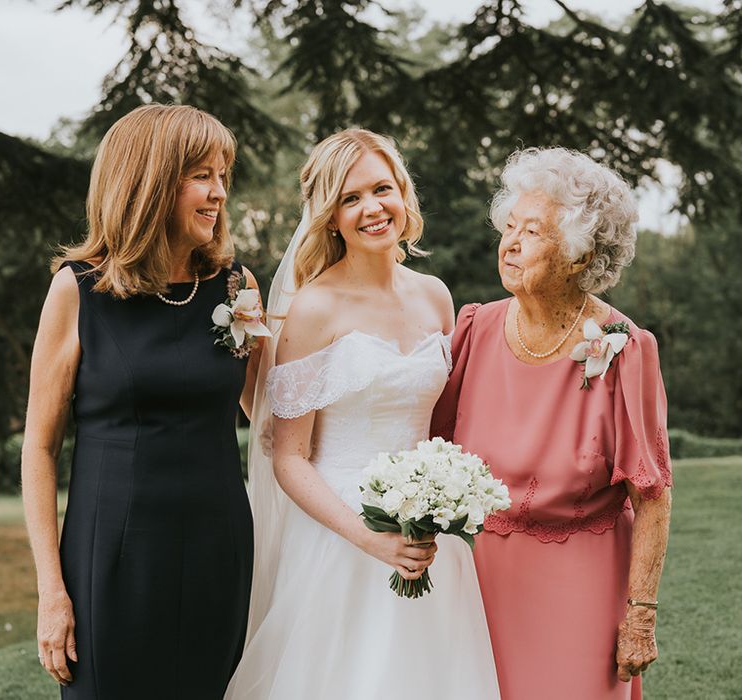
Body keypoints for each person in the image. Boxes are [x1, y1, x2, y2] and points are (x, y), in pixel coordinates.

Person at [226, 129, 501, 699]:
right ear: (329, 217)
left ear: (403, 193)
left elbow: (443, 426)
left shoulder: (435, 296)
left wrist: (446, 503)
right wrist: (371, 539)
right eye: (350, 198)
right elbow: (289, 457)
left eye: (382, 189)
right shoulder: (314, 308)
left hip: (429, 529)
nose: (372, 208)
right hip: (341, 535)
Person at [21, 104, 265, 699]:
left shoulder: (237, 287)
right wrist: (52, 591)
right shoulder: (77, 290)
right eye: (202, 176)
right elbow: (39, 446)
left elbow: (272, 421)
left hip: (218, 547)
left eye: (222, 175)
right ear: (151, 182)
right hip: (110, 555)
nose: (219, 193)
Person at [431, 146, 673, 700]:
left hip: (584, 583)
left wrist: (640, 617)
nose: (510, 243)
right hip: (484, 585)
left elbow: (653, 494)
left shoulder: (624, 349)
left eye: (533, 233)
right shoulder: (474, 329)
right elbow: (431, 453)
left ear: (579, 256)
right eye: (508, 226)